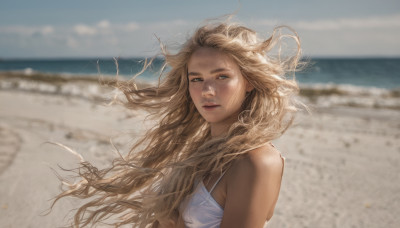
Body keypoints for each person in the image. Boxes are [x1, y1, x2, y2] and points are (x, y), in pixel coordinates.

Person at [52, 20, 302, 228]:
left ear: (249, 81)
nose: (206, 90)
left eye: (221, 76)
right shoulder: (202, 153)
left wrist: (169, 219)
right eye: (197, 79)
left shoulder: (256, 161)